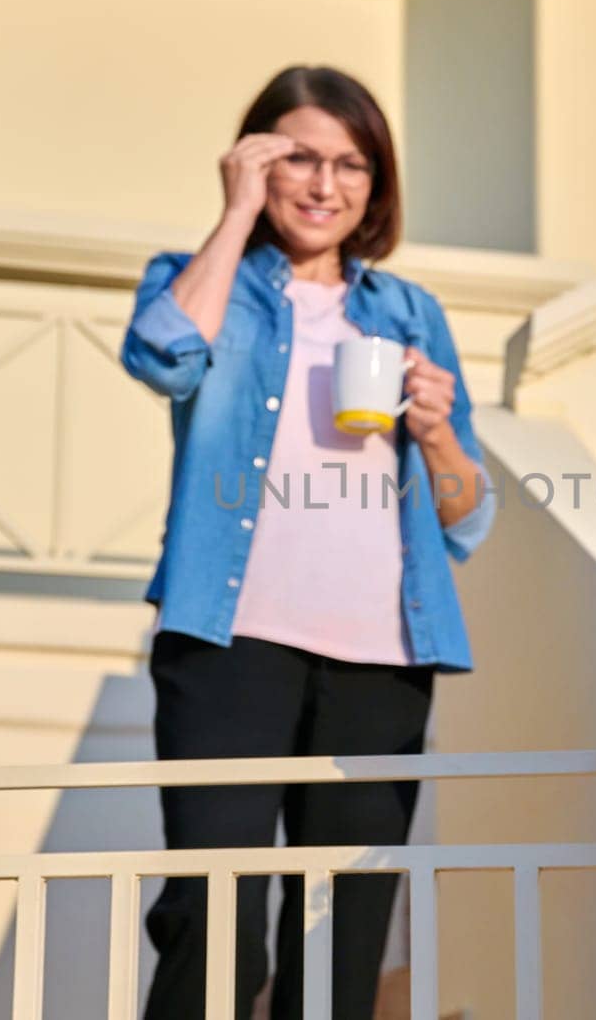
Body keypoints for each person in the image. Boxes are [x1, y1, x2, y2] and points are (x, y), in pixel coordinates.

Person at [119, 65, 495, 1020]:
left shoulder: (410, 313)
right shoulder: (197, 278)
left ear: (376, 183)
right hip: (227, 642)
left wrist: (440, 431)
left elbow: (469, 515)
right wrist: (237, 212)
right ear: (256, 159)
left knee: (342, 940)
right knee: (217, 919)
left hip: (383, 657)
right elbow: (163, 354)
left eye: (351, 164)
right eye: (298, 159)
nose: (326, 185)